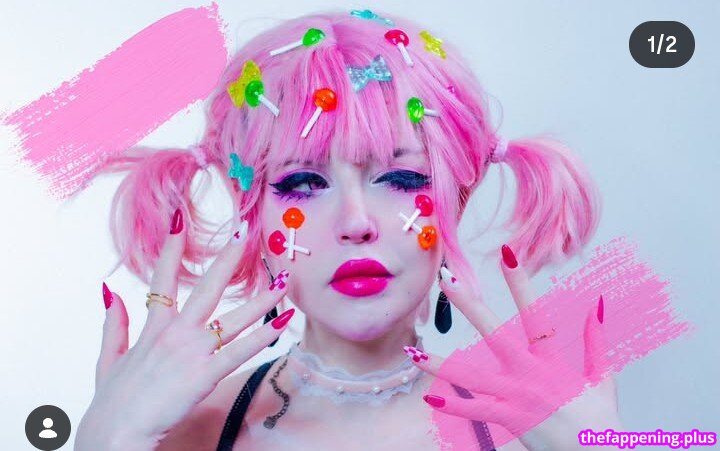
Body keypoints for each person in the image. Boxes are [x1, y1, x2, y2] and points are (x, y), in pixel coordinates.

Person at [74, 10, 621, 451]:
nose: (356, 223)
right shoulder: (182, 433)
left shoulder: (535, 434)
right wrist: (107, 444)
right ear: (253, 216)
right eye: (303, 183)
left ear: (453, 203)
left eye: (403, 178)